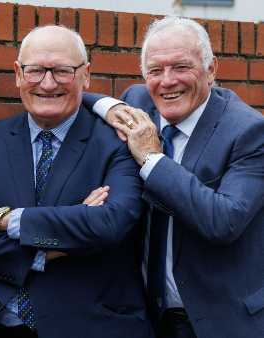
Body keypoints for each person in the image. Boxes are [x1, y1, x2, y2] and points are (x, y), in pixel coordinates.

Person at [0, 25, 154, 338]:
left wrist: (5, 220)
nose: (47, 83)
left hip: (91, 327)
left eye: (62, 71)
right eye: (36, 70)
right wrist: (52, 247)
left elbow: (110, 224)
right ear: (17, 74)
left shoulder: (118, 143)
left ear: (85, 75)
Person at [83, 16, 264, 338]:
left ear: (211, 69)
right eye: (155, 70)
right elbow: (79, 95)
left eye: (181, 67)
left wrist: (152, 159)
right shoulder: (139, 102)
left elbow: (223, 221)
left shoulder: (249, 131)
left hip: (223, 320)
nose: (167, 81)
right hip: (149, 317)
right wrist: (109, 106)